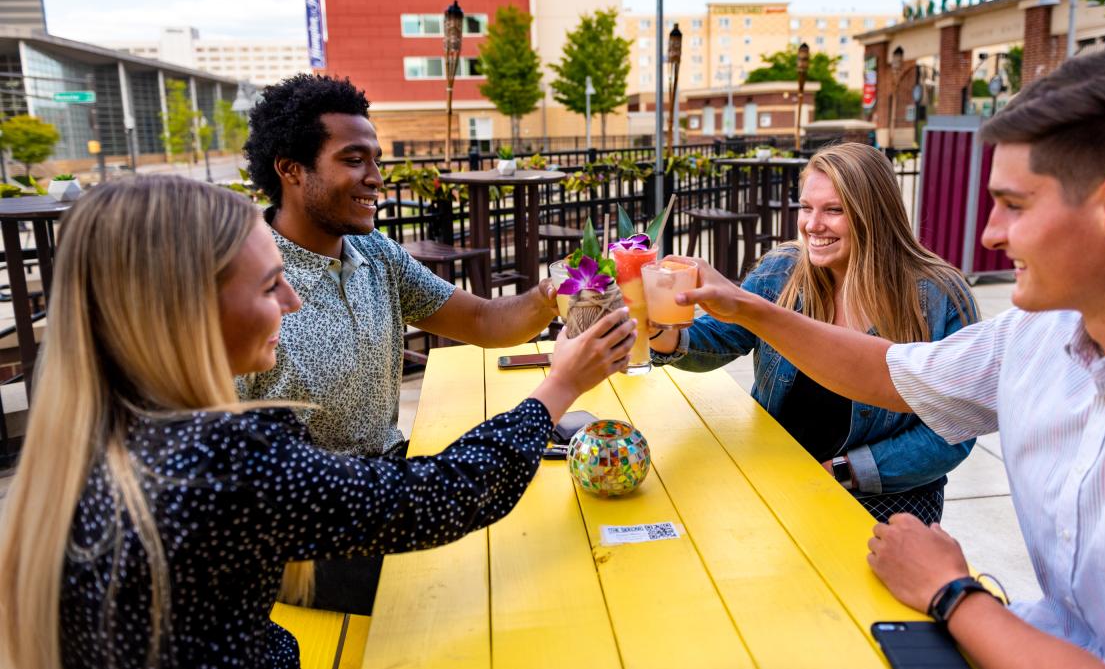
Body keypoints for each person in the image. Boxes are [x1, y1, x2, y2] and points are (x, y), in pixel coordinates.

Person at [673, 49, 1105, 668]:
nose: (991, 234)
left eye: (1016, 205)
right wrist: (746, 308)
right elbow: (890, 372)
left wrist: (952, 593)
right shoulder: (1036, 336)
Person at [0, 176, 635, 669]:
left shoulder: (103, 431)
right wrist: (559, 386)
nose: (293, 301)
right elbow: (437, 499)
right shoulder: (217, 460)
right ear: (186, 307)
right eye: (269, 284)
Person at [239, 74, 563, 612]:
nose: (375, 179)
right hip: (304, 532)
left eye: (377, 161)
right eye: (354, 160)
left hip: (384, 481)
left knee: (537, 527)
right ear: (290, 169)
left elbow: (483, 322)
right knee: (488, 591)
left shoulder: (375, 254)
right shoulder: (246, 276)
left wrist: (553, 296)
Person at [652, 143, 978, 523]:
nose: (812, 224)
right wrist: (661, 332)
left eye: (834, 210)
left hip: (885, 496)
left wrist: (842, 471)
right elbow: (721, 339)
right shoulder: (782, 270)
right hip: (781, 475)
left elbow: (952, 431)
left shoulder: (939, 297)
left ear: (875, 214)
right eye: (806, 208)